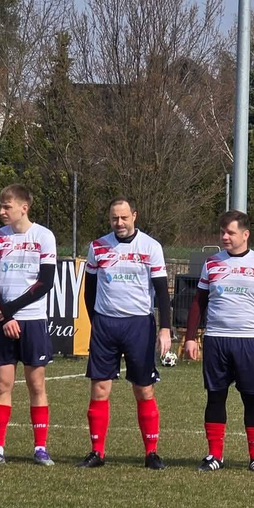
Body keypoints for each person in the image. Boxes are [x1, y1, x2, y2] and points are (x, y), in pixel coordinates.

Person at [183, 210, 254, 473]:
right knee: (215, 397)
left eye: (231, 232)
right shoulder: (212, 263)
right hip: (216, 340)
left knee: (252, 399)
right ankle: (214, 455)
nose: (225, 237)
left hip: (250, 341)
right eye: (222, 232)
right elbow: (199, 301)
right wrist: (190, 338)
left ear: (245, 234)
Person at [79, 197, 172, 469]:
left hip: (138, 325)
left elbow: (162, 292)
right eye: (114, 218)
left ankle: (151, 453)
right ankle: (97, 452)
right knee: (99, 389)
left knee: (144, 389)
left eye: (123, 217)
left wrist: (165, 328)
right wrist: (96, 321)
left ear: (134, 216)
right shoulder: (97, 247)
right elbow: (89, 290)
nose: (119, 223)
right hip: (105, 325)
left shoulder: (151, 247)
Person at [0, 184, 56, 466]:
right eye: (0, 206)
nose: (1, 211)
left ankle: (40, 449)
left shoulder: (44, 236)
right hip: (2, 321)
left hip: (32, 319)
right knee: (2, 385)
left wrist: (10, 310)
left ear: (24, 207)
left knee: (36, 384)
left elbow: (45, 282)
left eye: (6, 206)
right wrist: (5, 316)